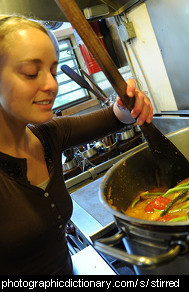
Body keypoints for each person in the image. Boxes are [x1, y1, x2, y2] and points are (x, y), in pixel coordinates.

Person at [0, 15, 153, 275]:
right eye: (30, 72)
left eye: (52, 70)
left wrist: (131, 104)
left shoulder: (48, 135)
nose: (51, 84)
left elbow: (116, 116)